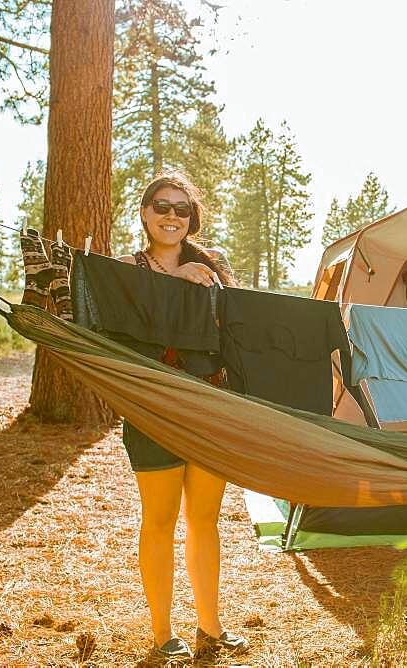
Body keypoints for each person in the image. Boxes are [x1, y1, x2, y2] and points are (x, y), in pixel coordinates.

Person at [117, 171, 247, 662]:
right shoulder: (125, 271)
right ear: (145, 212)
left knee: (205, 521)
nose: (171, 215)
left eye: (181, 209)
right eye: (161, 205)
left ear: (192, 219)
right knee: (159, 520)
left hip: (209, 406)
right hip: (153, 410)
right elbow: (124, 324)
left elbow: (234, 334)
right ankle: (161, 631)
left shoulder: (213, 270)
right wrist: (173, 281)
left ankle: (210, 627)